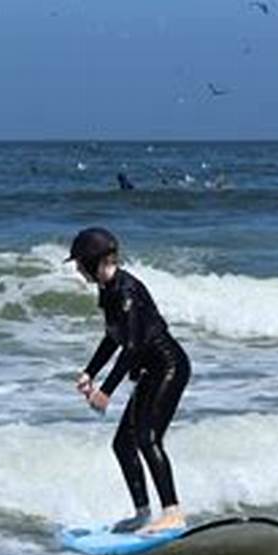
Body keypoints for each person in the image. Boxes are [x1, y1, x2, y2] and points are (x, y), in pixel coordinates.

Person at [69, 227, 191, 534]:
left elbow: (133, 347)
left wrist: (106, 391)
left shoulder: (127, 291)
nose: (78, 269)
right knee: (123, 444)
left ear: (93, 261)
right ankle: (142, 514)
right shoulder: (108, 289)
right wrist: (89, 372)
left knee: (148, 438)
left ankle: (173, 513)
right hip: (150, 371)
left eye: (79, 262)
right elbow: (113, 337)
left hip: (169, 367)